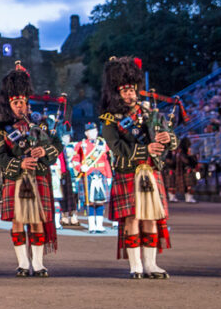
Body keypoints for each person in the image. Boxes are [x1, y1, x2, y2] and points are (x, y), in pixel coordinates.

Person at [100, 56, 176, 279]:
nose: (129, 94)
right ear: (118, 93)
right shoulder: (110, 119)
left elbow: (172, 139)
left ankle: (151, 265)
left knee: (151, 218)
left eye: (132, 89)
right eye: (124, 91)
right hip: (128, 172)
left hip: (151, 172)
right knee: (132, 218)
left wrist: (167, 138)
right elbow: (117, 147)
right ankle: (135, 266)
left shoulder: (151, 114)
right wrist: (146, 150)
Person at [0, 63, 59, 277]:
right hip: (17, 178)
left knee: (38, 220)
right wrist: (19, 164)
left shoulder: (42, 124)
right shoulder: (2, 128)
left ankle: (38, 264)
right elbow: (0, 157)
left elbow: (57, 147)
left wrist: (44, 150)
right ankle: (23, 263)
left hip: (38, 176)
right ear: (9, 104)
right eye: (16, 103)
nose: (20, 106)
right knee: (18, 221)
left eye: (23, 102)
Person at [72, 123, 112, 234]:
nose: (94, 133)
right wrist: (80, 167)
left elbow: (106, 161)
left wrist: (108, 176)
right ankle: (92, 226)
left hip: (101, 174)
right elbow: (74, 160)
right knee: (89, 202)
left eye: (95, 131)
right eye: (91, 131)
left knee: (100, 201)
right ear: (86, 133)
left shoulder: (102, 144)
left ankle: (99, 226)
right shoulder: (81, 145)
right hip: (87, 174)